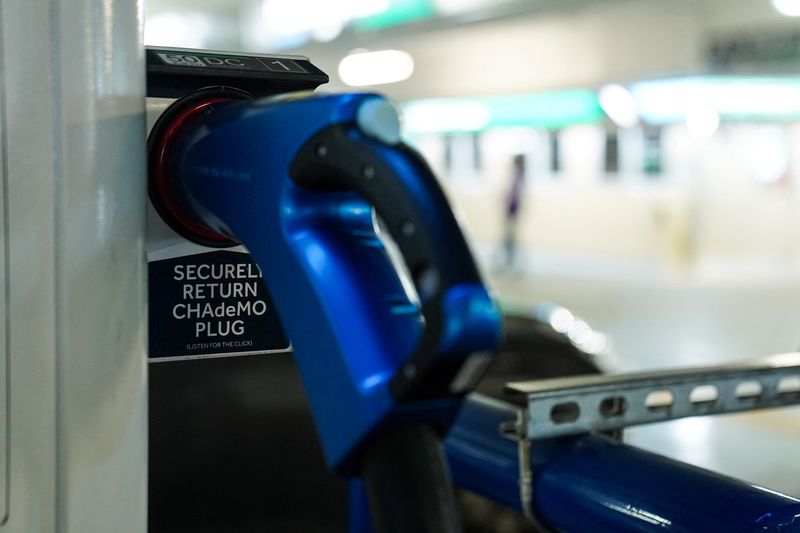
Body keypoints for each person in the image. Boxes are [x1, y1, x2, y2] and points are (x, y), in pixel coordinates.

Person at [502, 154, 526, 269]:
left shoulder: (518, 177)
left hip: (512, 210)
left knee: (510, 237)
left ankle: (510, 260)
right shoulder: (517, 176)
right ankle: (509, 259)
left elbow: (515, 196)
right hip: (511, 210)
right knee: (509, 237)